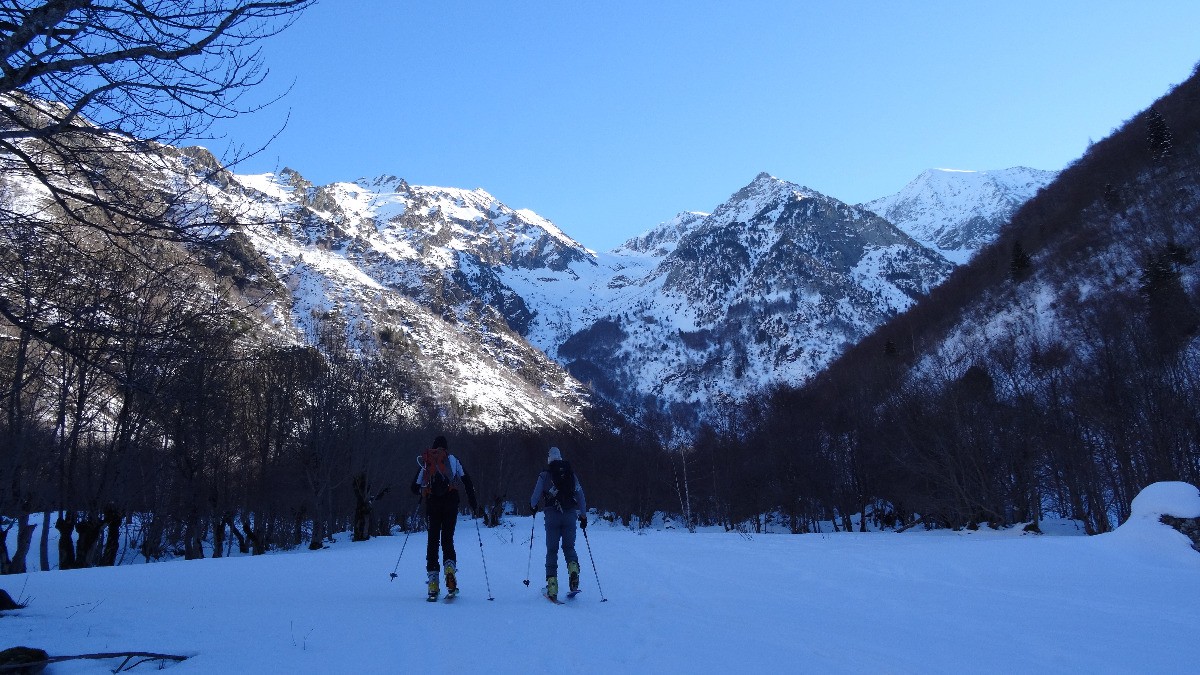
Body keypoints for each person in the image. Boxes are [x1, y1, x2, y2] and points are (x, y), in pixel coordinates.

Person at [410, 435, 478, 601]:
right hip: (450, 503)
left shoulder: (427, 461)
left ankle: (433, 583)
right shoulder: (454, 460)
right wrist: (473, 502)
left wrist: (423, 492)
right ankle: (450, 575)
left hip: (432, 504)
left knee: (433, 541)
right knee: (447, 540)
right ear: (446, 448)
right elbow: (467, 481)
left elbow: (414, 487)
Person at [530, 446, 587, 601]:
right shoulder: (570, 474)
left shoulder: (544, 475)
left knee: (552, 550)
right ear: (560, 458)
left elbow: (534, 499)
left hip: (552, 516)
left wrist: (533, 506)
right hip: (569, 515)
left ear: (549, 458)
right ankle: (573, 570)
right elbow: (580, 495)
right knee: (569, 547)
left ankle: (552, 585)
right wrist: (583, 515)